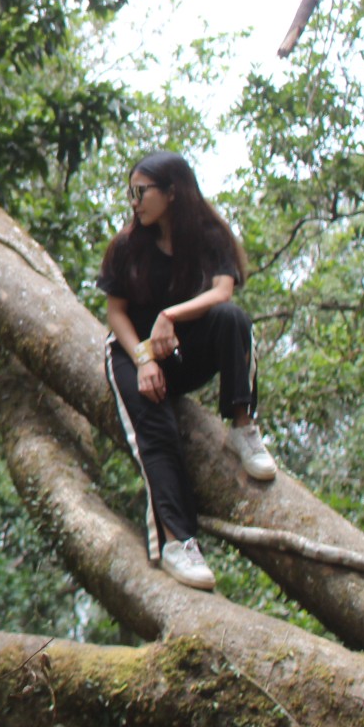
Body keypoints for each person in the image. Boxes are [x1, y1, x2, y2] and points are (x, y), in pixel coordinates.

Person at [98, 150, 278, 591]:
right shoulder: (127, 244)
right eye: (132, 193)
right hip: (133, 354)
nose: (135, 201)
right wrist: (143, 359)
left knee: (234, 320)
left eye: (143, 192)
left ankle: (242, 426)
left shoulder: (208, 235)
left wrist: (171, 315)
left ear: (172, 192)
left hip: (179, 348)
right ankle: (178, 542)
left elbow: (223, 293)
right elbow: (116, 314)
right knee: (156, 428)